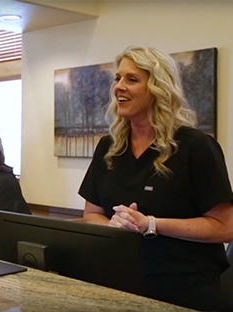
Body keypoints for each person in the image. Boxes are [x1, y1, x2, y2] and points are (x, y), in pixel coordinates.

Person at [78, 46, 233, 311]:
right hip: (120, 284)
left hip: (186, 290)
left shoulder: (196, 146)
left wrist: (151, 224)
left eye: (132, 79)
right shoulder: (109, 146)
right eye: (117, 78)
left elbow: (225, 227)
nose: (119, 87)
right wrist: (115, 226)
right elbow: (92, 213)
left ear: (158, 88)